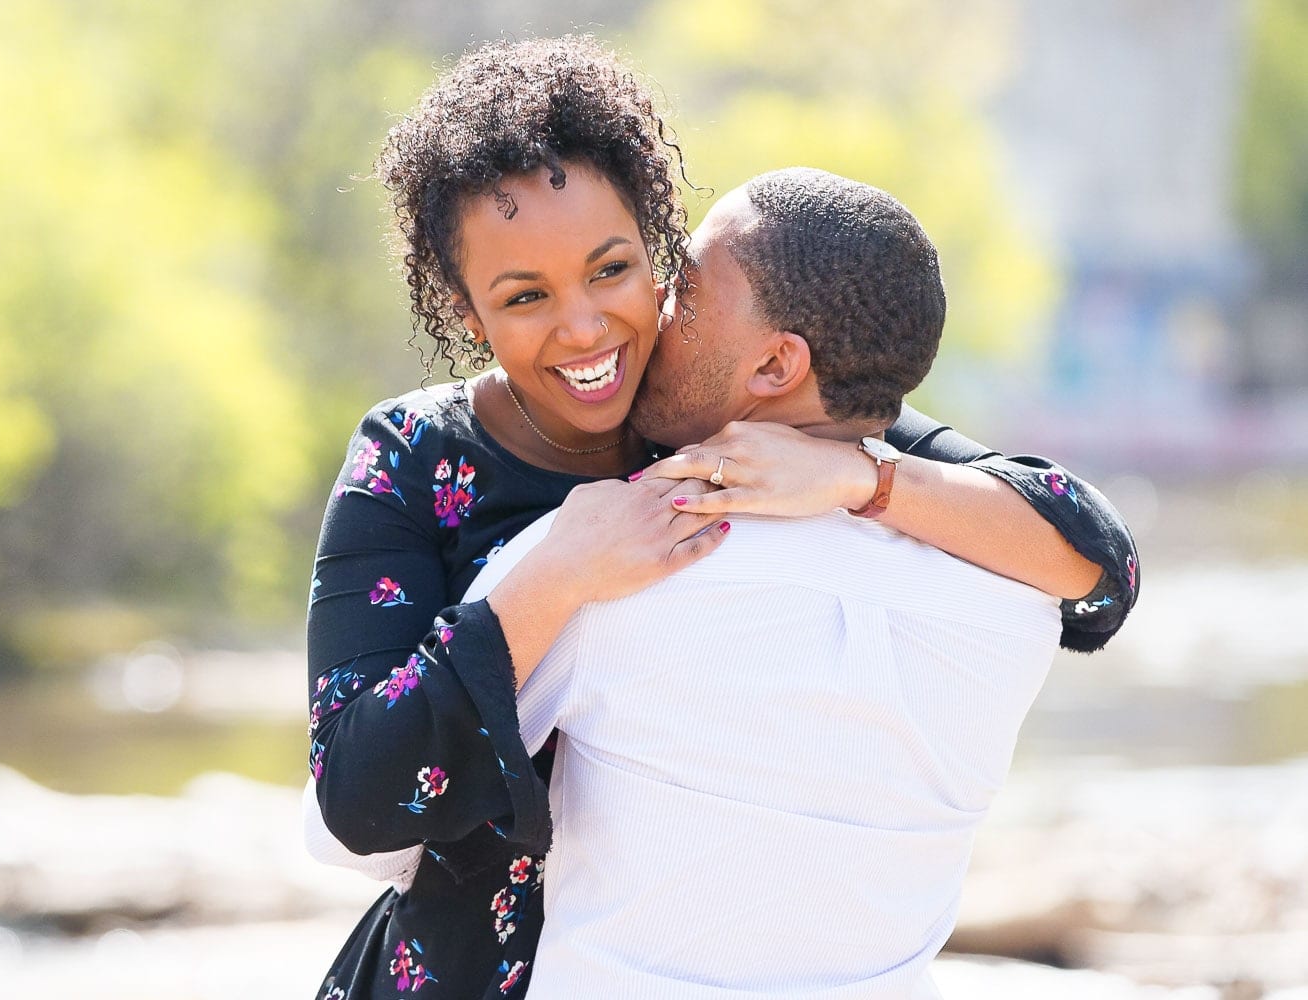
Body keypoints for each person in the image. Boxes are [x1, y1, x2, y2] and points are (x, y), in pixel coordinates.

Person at [306, 37, 1137, 1000]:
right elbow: (357, 798)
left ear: (657, 248)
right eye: (525, 297)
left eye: (615, 270)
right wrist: (555, 577)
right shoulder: (411, 456)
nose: (585, 328)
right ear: (464, 309)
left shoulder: (731, 405)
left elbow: (1098, 569)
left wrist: (860, 480)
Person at [460, 166, 1069, 997]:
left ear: (778, 364)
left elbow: (367, 830)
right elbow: (1095, 552)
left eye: (689, 292)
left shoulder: (615, 559)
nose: (655, 309)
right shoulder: (1019, 602)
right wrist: (867, 478)